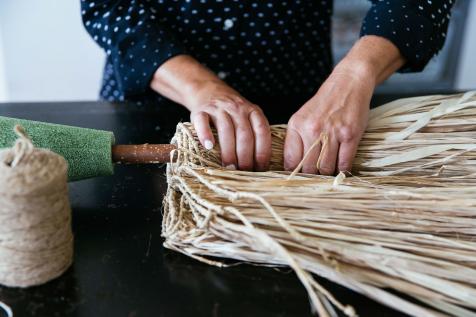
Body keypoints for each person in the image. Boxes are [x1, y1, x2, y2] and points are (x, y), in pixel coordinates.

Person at [81, 0, 454, 174]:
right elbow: (108, 6)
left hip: (307, 117)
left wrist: (354, 77)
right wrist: (200, 87)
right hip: (152, 99)